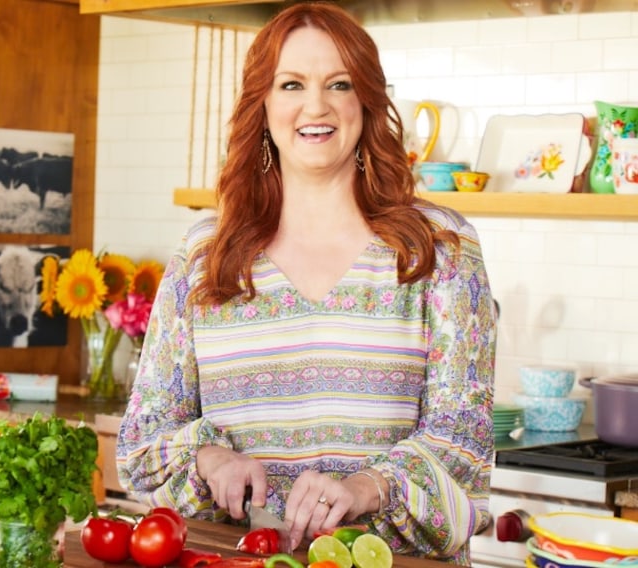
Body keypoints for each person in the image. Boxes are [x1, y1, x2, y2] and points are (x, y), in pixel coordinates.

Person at [116, 1, 496, 563]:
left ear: (365, 102)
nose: (315, 106)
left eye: (338, 84)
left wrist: (366, 487)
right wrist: (210, 459)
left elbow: (463, 442)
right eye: (290, 84)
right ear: (262, 105)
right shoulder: (204, 255)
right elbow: (142, 441)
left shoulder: (438, 248)